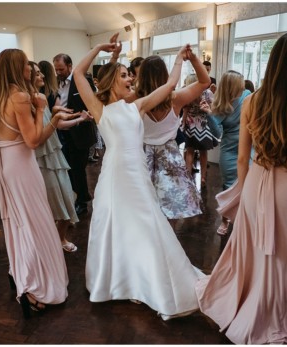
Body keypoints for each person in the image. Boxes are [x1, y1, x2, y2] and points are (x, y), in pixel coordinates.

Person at [195, 31, 287, 343]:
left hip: (257, 182)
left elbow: (243, 158)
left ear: (273, 63)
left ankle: (248, 303)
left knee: (253, 252)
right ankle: (276, 312)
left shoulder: (254, 100)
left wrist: (245, 193)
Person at [74, 38, 203, 320]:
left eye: (129, 74)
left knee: (145, 226)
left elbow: (169, 86)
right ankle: (116, 282)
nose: (130, 78)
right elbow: (78, 73)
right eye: (124, 75)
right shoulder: (99, 109)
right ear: (111, 83)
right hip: (113, 177)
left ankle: (143, 280)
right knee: (114, 226)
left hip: (138, 176)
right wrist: (98, 49)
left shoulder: (138, 106)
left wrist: (181, 58)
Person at [0, 48, 72, 318]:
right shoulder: (19, 96)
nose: (29, 70)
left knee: (17, 223)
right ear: (15, 68)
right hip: (21, 163)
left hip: (3, 162)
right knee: (35, 222)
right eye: (25, 65)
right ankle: (33, 286)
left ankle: (18, 272)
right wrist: (48, 115)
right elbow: (33, 140)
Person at [134, 44, 209, 221]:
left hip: (142, 155)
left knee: (144, 207)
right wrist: (193, 59)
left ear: (141, 75)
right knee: (171, 208)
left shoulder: (134, 99)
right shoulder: (176, 98)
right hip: (169, 155)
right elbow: (205, 82)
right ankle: (168, 245)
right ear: (165, 75)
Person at [29, 61, 87, 253]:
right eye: (37, 74)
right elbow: (37, 137)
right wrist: (55, 118)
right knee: (52, 206)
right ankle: (54, 242)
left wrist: (79, 119)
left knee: (67, 202)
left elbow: (56, 126)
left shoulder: (41, 98)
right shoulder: (30, 102)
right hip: (41, 159)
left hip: (55, 155)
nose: (43, 76)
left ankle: (59, 238)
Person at [53, 53, 97, 216]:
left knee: (78, 170)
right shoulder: (59, 83)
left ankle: (83, 202)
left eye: (61, 69)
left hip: (81, 132)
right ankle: (76, 197)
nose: (58, 72)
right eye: (56, 69)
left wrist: (81, 117)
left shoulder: (82, 79)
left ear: (70, 66)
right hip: (64, 132)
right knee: (70, 169)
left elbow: (93, 100)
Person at [210, 70, 250, 234]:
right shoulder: (220, 106)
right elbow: (217, 134)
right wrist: (209, 115)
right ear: (231, 87)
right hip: (229, 150)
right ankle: (225, 221)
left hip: (248, 147)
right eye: (239, 84)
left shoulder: (247, 95)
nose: (243, 87)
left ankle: (245, 221)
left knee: (247, 186)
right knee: (228, 188)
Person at [181, 74, 217, 187]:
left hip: (190, 125)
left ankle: (187, 176)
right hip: (203, 125)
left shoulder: (187, 94)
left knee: (189, 151)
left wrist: (183, 123)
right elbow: (213, 108)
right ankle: (203, 178)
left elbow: (185, 110)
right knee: (203, 153)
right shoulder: (207, 93)